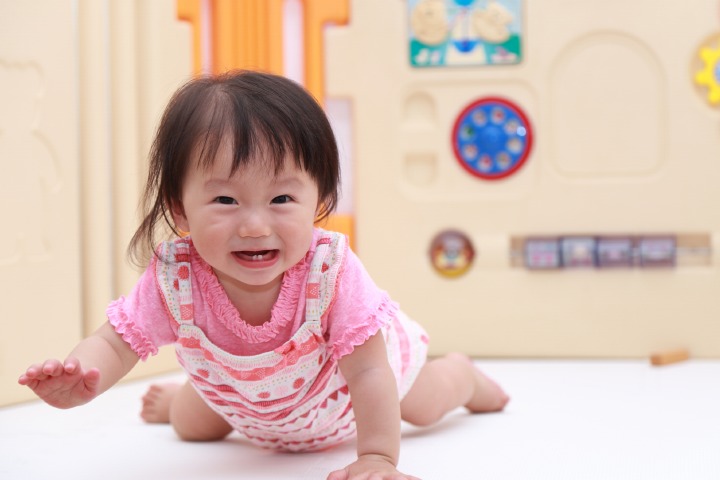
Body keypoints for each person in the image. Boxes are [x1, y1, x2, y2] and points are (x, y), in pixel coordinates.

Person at [18, 70, 509, 480]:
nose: (254, 226)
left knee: (423, 403)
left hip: (341, 400)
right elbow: (115, 342)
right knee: (192, 424)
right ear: (180, 210)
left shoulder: (330, 269)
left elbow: (368, 371)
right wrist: (84, 377)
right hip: (244, 405)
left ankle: (464, 376)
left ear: (316, 202)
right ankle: (180, 402)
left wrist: (377, 456)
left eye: (281, 199)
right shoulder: (176, 278)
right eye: (225, 200)